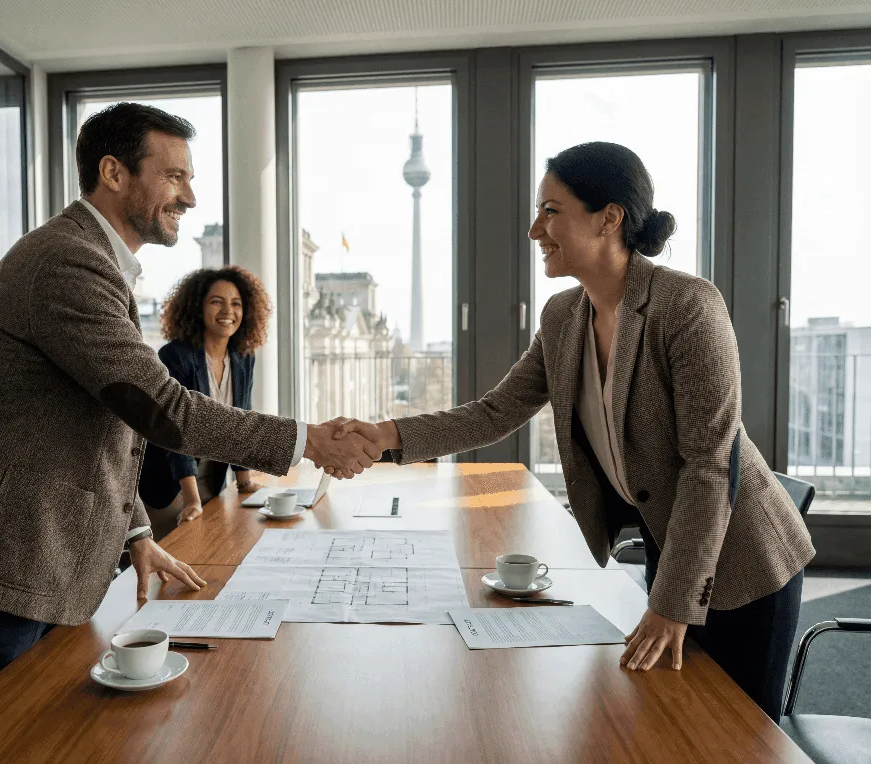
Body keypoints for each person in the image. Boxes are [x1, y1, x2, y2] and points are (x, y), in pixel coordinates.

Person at [0, 102, 381, 717]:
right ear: (114, 173)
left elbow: (109, 424)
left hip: (37, 555)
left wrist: (136, 532)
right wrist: (308, 442)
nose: (192, 197)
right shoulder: (66, 263)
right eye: (175, 176)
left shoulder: (96, 263)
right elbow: (161, 408)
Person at [331, 142, 814, 723]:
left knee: (738, 737)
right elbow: (494, 412)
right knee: (665, 725)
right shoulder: (564, 316)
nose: (536, 229)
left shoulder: (685, 306)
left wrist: (672, 606)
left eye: (552, 210)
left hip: (745, 565)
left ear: (609, 218)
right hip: (671, 547)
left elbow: (710, 467)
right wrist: (383, 434)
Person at [138, 266, 268, 538]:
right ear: (198, 307)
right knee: (177, 562)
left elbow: (240, 421)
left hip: (212, 478)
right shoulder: (176, 356)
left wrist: (243, 480)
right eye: (216, 302)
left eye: (236, 304)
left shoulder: (243, 357)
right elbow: (176, 431)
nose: (227, 311)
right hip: (173, 484)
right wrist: (191, 498)